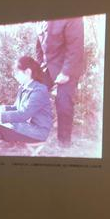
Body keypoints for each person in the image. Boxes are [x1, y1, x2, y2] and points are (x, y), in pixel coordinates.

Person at [0, 56, 53, 155]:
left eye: (17, 73)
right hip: (26, 127)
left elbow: (24, 114)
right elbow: (17, 108)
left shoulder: (39, 90)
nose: (15, 76)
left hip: (37, 132)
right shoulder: (24, 87)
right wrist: (0, 108)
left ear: (28, 72)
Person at [36, 17, 85, 146]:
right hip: (48, 66)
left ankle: (64, 141)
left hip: (68, 66)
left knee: (63, 102)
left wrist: (65, 72)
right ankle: (33, 133)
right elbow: (39, 46)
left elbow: (75, 48)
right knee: (33, 92)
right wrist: (40, 65)